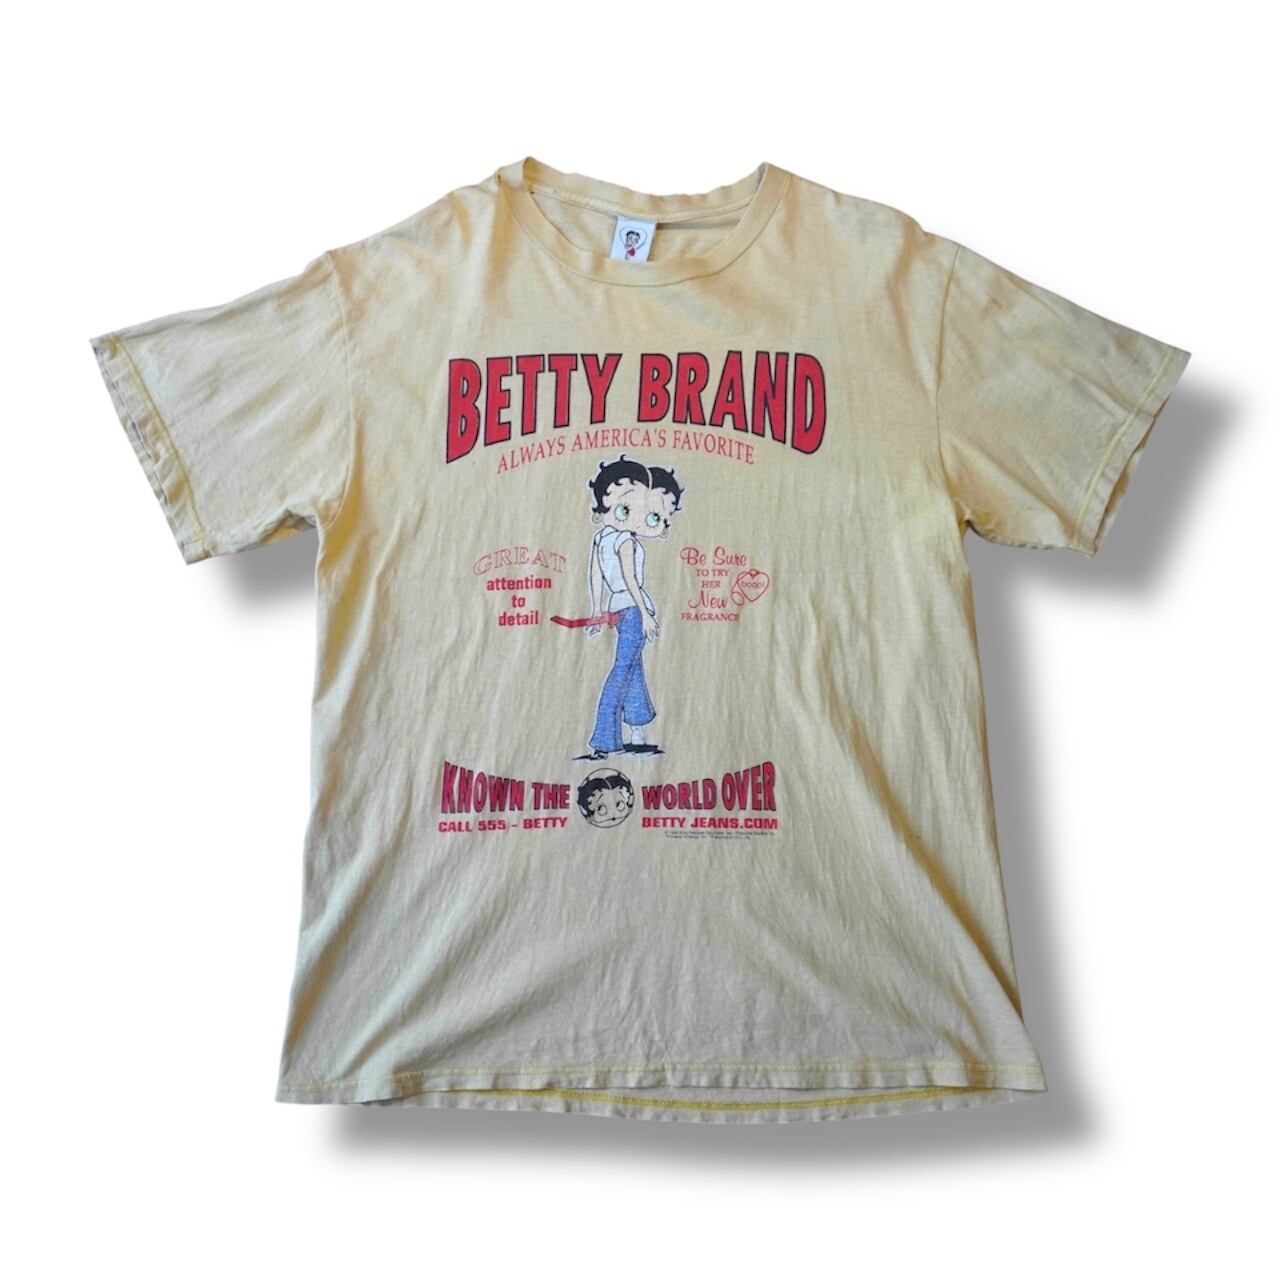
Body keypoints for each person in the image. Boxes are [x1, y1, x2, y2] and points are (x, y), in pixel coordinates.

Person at [582, 455, 684, 758]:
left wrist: (598, 611)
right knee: (622, 671)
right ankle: (604, 738)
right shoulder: (625, 540)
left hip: (618, 610)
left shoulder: (601, 538)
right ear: (602, 509)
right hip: (633, 610)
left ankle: (637, 730)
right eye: (626, 509)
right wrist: (647, 616)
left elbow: (596, 576)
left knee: (634, 670)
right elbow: (630, 580)